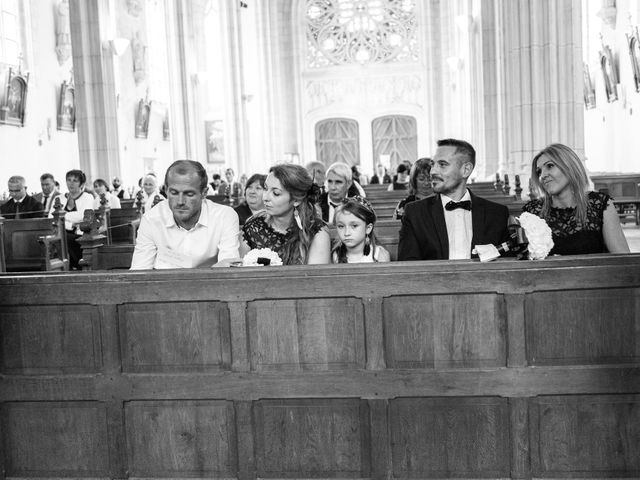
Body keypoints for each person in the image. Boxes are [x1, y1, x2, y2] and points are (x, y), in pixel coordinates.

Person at [398, 138, 510, 261]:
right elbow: (408, 268)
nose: (433, 171)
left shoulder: (496, 214)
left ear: (466, 170)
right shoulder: (415, 213)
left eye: (442, 165)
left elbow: (507, 266)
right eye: (433, 164)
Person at [130, 160, 240, 269]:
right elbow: (139, 274)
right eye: (174, 193)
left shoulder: (224, 217)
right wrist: (213, 269)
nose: (180, 202)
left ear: (204, 193)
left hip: (213, 287)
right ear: (166, 191)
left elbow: (228, 272)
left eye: (189, 194)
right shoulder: (151, 220)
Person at [523, 143, 629, 255]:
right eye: (539, 171)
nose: (542, 175)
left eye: (550, 166)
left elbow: (623, 259)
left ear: (569, 166)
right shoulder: (533, 211)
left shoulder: (599, 204)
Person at [240, 164, 330, 265]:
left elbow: (315, 278)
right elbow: (242, 275)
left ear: (296, 200)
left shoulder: (317, 232)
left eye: (276, 193)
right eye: (265, 188)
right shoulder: (253, 227)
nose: (265, 197)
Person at [332, 196, 390, 263]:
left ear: (368, 228)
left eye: (354, 226)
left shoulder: (379, 255)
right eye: (341, 226)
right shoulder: (334, 256)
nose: (346, 233)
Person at [59, 169, 95, 269]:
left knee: (65, 239)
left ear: (81, 183)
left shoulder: (88, 197)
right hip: (61, 232)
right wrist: (70, 224)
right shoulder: (59, 198)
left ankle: (75, 267)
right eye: (69, 180)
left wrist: (63, 215)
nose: (71, 183)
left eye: (75, 181)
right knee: (62, 238)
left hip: (82, 234)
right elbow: (52, 218)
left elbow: (83, 216)